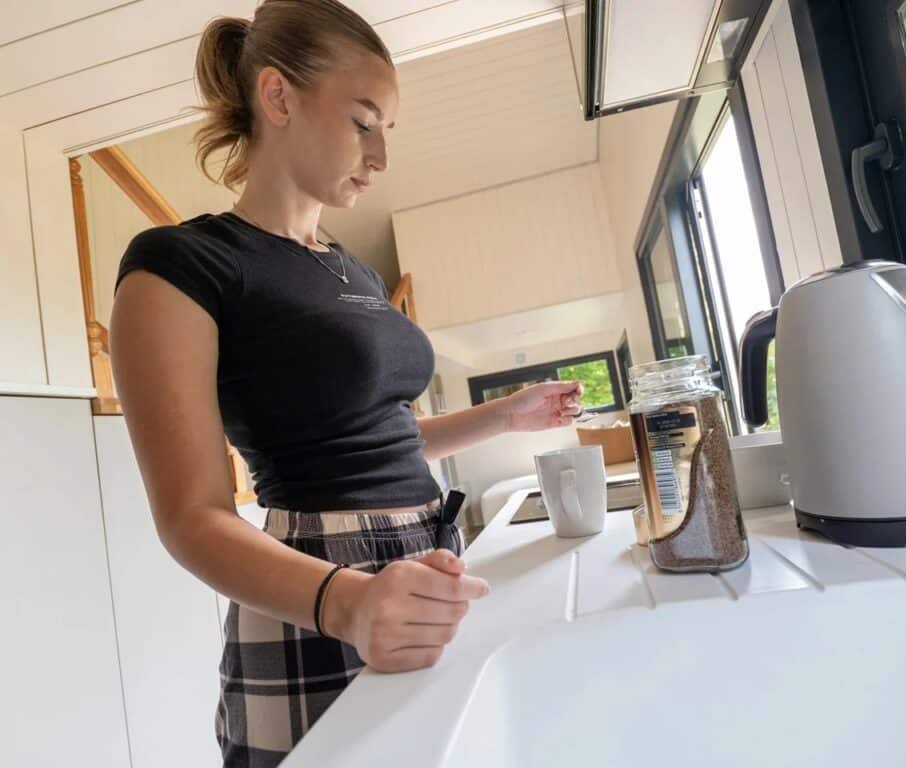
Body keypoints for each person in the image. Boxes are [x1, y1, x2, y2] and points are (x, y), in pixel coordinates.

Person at [108, 1, 586, 765]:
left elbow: (376, 437)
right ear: (278, 97)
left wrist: (506, 415)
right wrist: (349, 601)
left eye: (385, 131)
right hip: (319, 590)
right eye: (364, 122)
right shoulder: (183, 266)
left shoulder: (352, 268)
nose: (380, 157)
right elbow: (190, 517)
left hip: (428, 557)